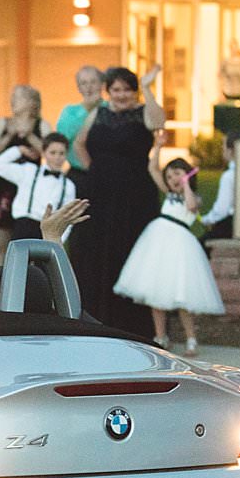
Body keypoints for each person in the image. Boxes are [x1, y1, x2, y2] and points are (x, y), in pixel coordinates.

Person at [69, 65, 166, 338]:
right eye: (116, 89)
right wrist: (94, 171)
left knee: (131, 252)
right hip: (100, 193)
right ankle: (96, 318)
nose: (121, 95)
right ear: (108, 91)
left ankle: (134, 324)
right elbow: (78, 143)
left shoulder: (141, 113)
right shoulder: (98, 113)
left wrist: (147, 88)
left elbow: (159, 122)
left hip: (135, 196)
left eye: (126, 89)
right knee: (96, 252)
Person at [113, 157, 224, 355]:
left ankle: (191, 338)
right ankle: (160, 336)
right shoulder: (169, 194)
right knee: (156, 293)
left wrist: (187, 185)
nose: (173, 179)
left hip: (180, 245)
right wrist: (158, 146)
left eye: (178, 174)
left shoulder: (194, 197)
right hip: (158, 241)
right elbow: (152, 169)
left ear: (188, 174)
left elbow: (191, 206)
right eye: (170, 175)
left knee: (181, 295)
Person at [0, 84, 46, 264]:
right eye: (13, 97)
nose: (13, 101)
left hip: (29, 191)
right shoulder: (3, 123)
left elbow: (50, 151)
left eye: (19, 97)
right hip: (2, 189)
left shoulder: (41, 125)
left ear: (32, 102)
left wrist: (30, 135)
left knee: (26, 243)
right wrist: (10, 135)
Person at [0, 132, 79, 242]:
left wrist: (59, 239)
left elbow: (67, 216)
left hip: (48, 231)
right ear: (44, 153)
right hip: (23, 226)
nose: (57, 157)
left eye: (61, 153)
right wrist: (18, 150)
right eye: (52, 153)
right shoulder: (29, 171)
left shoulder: (68, 185)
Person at [54, 65, 104, 173]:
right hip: (79, 172)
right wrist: (86, 109)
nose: (89, 87)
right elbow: (62, 138)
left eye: (93, 82)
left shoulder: (110, 107)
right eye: (84, 83)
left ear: (101, 85)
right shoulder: (70, 111)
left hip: (107, 172)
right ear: (79, 88)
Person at [199, 132, 240, 248]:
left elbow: (222, 210)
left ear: (231, 150)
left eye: (224, 146)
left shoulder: (229, 176)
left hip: (228, 227)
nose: (222, 149)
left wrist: (206, 219)